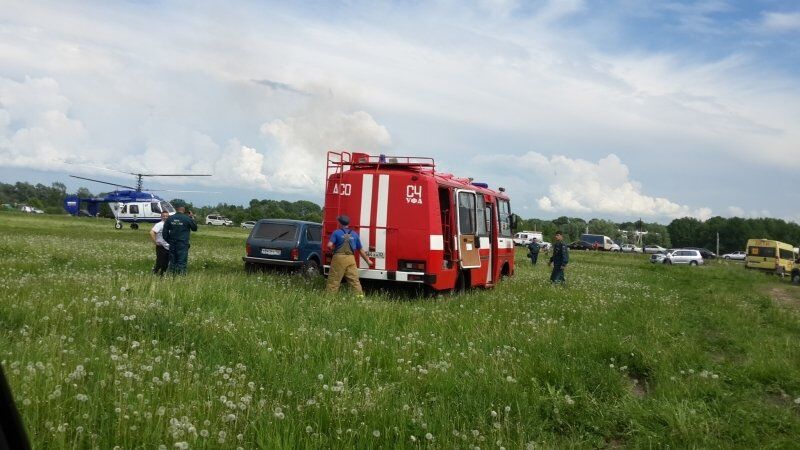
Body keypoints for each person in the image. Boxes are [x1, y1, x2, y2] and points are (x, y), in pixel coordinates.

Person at [326, 214, 372, 296]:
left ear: (340, 223)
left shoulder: (336, 232)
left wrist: (333, 249)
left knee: (334, 280)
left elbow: (329, 245)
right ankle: (359, 298)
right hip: (351, 259)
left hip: (339, 258)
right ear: (348, 223)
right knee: (354, 280)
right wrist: (368, 261)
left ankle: (330, 298)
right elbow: (360, 250)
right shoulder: (354, 234)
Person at [163, 204, 197, 275]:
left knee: (172, 262)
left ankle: (171, 277)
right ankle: (181, 278)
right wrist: (192, 217)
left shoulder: (170, 218)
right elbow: (194, 228)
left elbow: (164, 234)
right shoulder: (187, 218)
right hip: (183, 244)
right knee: (182, 262)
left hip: (172, 244)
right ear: (183, 209)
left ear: (176, 209)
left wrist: (170, 241)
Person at [150, 210, 171, 276]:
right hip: (161, 246)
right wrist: (155, 242)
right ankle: (154, 272)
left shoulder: (170, 224)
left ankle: (162, 275)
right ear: (161, 217)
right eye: (164, 216)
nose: (165, 217)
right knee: (160, 262)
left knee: (166, 262)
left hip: (168, 246)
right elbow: (152, 232)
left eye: (167, 216)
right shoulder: (159, 224)